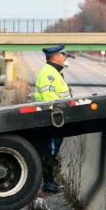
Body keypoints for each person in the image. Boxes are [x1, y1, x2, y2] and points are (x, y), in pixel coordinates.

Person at [33, 44, 74, 193]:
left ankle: (50, 182)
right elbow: (50, 99)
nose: (65, 58)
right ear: (55, 56)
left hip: (54, 120)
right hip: (51, 120)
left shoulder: (54, 72)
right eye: (63, 55)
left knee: (51, 151)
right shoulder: (48, 73)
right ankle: (48, 183)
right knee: (49, 152)